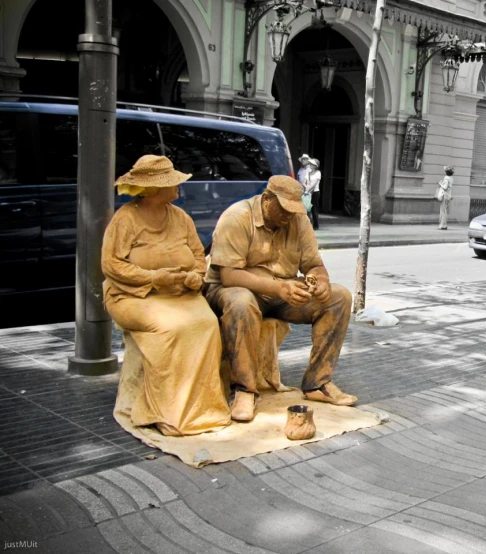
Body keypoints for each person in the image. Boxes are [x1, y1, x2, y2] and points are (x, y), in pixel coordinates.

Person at [204, 175, 356, 422]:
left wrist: (321, 280)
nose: (289, 216)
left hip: (279, 291)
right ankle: (244, 390)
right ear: (266, 199)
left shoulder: (297, 219)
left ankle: (318, 383)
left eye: (294, 210)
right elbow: (229, 276)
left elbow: (314, 264)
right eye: (284, 209)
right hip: (232, 289)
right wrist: (278, 288)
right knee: (242, 301)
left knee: (339, 297)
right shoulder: (237, 217)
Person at [102, 155, 231, 436]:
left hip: (180, 294)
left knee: (207, 325)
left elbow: (199, 256)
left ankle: (202, 408)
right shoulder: (125, 218)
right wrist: (153, 277)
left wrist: (195, 276)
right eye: (172, 183)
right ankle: (164, 410)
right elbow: (111, 264)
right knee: (172, 329)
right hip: (134, 296)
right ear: (154, 189)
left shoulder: (180, 217)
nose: (178, 188)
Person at [303, 158, 321, 230]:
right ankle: (307, 225)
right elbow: (304, 181)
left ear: (315, 166)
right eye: (310, 164)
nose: (310, 165)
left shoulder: (318, 173)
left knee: (314, 209)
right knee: (307, 209)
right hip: (307, 192)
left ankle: (315, 225)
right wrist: (305, 187)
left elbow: (314, 183)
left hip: (315, 192)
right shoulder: (308, 173)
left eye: (312, 164)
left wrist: (308, 189)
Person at [437, 165, 454, 230]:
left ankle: (442, 225)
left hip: (444, 195)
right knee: (445, 211)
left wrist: (440, 184)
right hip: (448, 196)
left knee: (443, 211)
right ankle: (444, 224)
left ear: (446, 172)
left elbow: (445, 187)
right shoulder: (451, 178)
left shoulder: (446, 178)